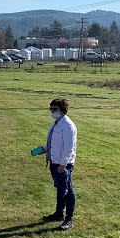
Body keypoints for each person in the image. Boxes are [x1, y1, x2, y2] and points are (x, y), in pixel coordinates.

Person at [41, 98, 77, 230]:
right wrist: (45, 149)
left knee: (68, 190)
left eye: (54, 109)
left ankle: (69, 218)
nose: (52, 111)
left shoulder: (68, 126)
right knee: (60, 189)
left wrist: (63, 165)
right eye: (50, 109)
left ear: (62, 110)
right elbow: (55, 143)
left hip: (63, 164)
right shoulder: (56, 123)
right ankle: (58, 213)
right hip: (54, 161)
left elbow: (69, 148)